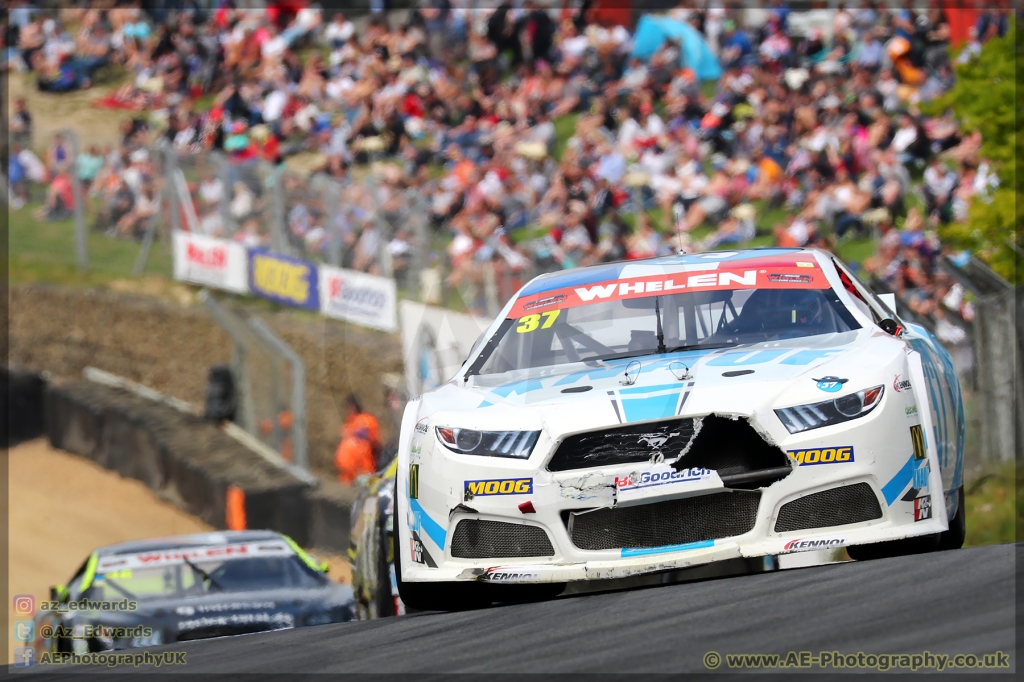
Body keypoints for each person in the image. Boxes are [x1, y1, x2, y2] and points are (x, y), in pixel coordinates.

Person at [335, 395, 381, 484]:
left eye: (350, 406)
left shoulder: (366, 419)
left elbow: (371, 437)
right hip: (349, 469)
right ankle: (350, 476)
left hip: (364, 460)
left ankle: (362, 476)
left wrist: (354, 435)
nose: (348, 409)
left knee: (353, 446)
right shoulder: (351, 421)